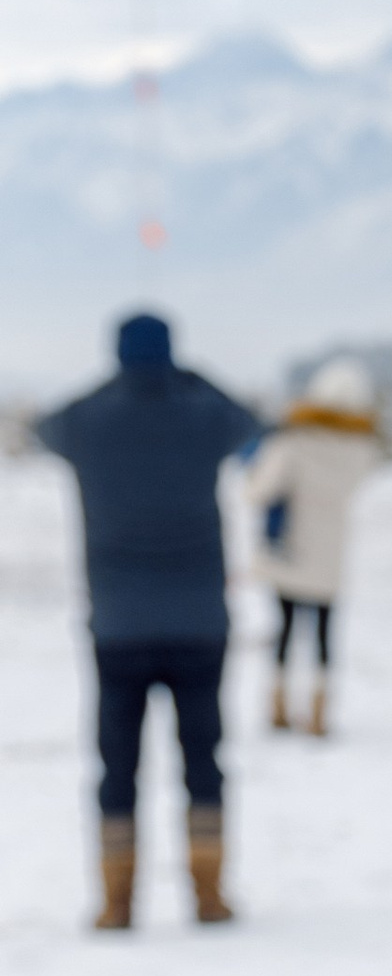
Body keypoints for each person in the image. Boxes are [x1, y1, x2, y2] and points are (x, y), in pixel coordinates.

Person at [35, 311, 262, 928]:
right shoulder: (202, 416)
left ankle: (116, 902)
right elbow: (250, 421)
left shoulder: (89, 422)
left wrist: (119, 384)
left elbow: (46, 423)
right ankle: (209, 894)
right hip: (199, 624)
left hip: (117, 626)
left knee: (116, 765)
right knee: (204, 759)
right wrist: (190, 378)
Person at [244, 354, 387, 733]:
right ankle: (320, 709)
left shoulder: (292, 443)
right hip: (330, 553)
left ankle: (278, 703)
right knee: (325, 633)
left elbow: (257, 490)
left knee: (285, 628)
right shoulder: (363, 450)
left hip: (290, 551)